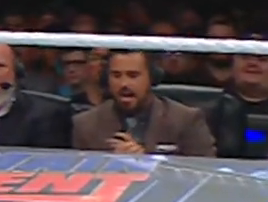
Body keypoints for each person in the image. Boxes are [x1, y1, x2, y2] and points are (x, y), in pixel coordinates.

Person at [73, 48, 216, 156]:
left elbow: (206, 173)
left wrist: (145, 162)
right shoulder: (85, 124)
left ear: (152, 78)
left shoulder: (185, 119)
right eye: (116, 75)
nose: (124, 84)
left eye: (133, 75)